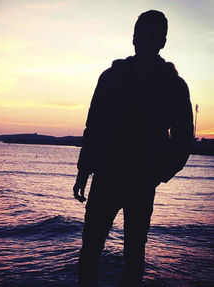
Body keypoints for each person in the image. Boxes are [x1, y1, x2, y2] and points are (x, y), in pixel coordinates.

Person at [73, 10, 193, 287]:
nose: (147, 41)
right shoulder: (111, 77)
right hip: (105, 179)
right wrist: (83, 171)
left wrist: (159, 173)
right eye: (143, 35)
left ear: (162, 42)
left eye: (154, 36)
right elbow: (94, 127)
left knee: (134, 257)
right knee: (90, 250)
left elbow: (183, 140)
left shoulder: (173, 86)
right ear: (134, 38)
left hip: (141, 183)